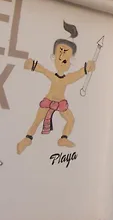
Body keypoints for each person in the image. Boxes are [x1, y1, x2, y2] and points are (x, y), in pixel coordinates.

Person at [16, 21, 95, 155]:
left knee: (70, 119)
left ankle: (63, 138)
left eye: (65, 60)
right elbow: (42, 69)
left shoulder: (67, 78)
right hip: (49, 101)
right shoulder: (53, 76)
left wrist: (87, 69)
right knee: (37, 121)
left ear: (70, 61)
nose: (62, 61)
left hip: (60, 103)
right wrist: (32, 65)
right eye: (59, 58)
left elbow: (78, 74)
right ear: (53, 57)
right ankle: (27, 139)